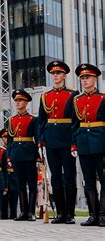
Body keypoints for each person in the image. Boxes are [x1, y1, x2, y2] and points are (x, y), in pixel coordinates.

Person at [38, 61, 79, 224]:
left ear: (64, 75)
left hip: (67, 139)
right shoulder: (45, 96)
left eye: (58, 73)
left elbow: (76, 121)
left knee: (69, 176)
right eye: (53, 73)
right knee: (55, 177)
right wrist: (41, 141)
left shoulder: (73, 94)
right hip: (51, 141)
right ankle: (60, 212)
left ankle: (70, 213)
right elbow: (42, 121)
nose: (55, 76)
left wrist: (74, 142)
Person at [71, 64, 105, 227]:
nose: (85, 81)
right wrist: (74, 145)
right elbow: (74, 124)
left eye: (88, 78)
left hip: (101, 142)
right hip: (84, 143)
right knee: (88, 180)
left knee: (104, 180)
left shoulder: (103, 98)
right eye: (82, 78)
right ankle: (93, 215)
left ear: (95, 79)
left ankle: (103, 215)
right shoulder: (77, 100)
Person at [7, 89, 40, 222]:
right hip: (16, 153)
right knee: (21, 184)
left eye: (20, 100)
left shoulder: (33, 119)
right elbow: (10, 140)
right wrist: (9, 156)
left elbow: (37, 138)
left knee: (31, 183)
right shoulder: (11, 120)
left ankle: (31, 211)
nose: (18, 103)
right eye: (16, 100)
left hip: (29, 152)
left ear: (26, 102)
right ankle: (24, 212)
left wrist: (39, 155)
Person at [0, 128, 19, 219]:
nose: (7, 139)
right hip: (4, 177)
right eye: (4, 137)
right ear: (1, 138)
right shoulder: (0, 150)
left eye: (8, 137)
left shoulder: (15, 148)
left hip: (14, 177)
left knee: (14, 204)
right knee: (3, 205)